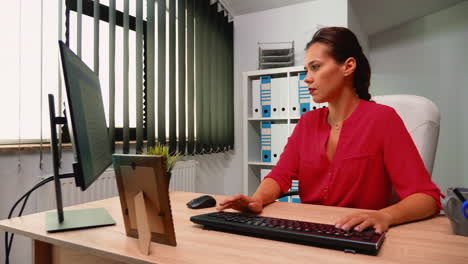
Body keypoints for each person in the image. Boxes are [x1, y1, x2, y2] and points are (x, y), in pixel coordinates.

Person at [217, 27, 442, 234]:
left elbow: (426, 198)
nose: (306, 78)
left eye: (315, 67)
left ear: (348, 66)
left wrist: (385, 216)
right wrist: (257, 200)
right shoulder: (307, 123)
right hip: (310, 231)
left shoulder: (383, 119)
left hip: (359, 235)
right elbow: (279, 176)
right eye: (306, 69)